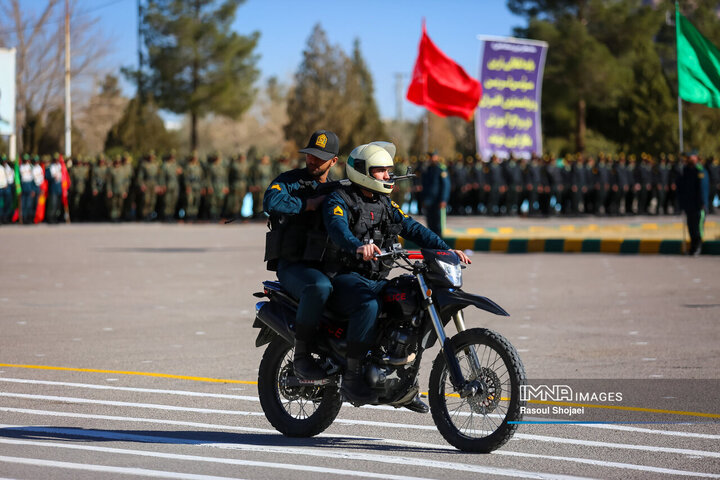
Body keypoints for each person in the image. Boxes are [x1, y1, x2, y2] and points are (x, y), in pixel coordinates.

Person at [323, 141, 471, 408]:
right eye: (380, 171)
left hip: (375, 279)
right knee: (369, 305)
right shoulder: (340, 199)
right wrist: (359, 247)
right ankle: (353, 378)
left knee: (413, 305)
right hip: (344, 277)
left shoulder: (384, 203)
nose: (387, 176)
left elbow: (413, 228)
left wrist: (446, 249)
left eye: (388, 171)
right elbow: (337, 229)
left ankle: (401, 384)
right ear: (362, 171)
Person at [263, 129, 340, 380]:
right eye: (310, 155)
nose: (312, 160)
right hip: (293, 264)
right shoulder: (290, 181)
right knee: (319, 287)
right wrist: (306, 204)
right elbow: (270, 201)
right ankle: (302, 357)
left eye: (320, 157)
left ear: (334, 161)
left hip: (326, 263)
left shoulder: (339, 188)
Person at [677, 152, 710, 256]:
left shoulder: (700, 171)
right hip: (689, 204)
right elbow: (681, 187)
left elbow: (703, 189)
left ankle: (698, 247)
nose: (688, 159)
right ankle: (692, 247)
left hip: (698, 205)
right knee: (691, 227)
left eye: (691, 157)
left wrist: (703, 203)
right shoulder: (686, 171)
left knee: (697, 228)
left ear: (696, 158)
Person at [421, 150, 449, 233]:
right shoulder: (427, 169)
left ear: (436, 157)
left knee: (438, 225)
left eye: (433, 156)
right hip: (429, 201)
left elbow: (445, 186)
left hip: (438, 201)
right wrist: (423, 199)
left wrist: (443, 199)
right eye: (430, 157)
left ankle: (439, 244)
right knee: (430, 224)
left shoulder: (441, 169)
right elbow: (425, 186)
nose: (431, 159)